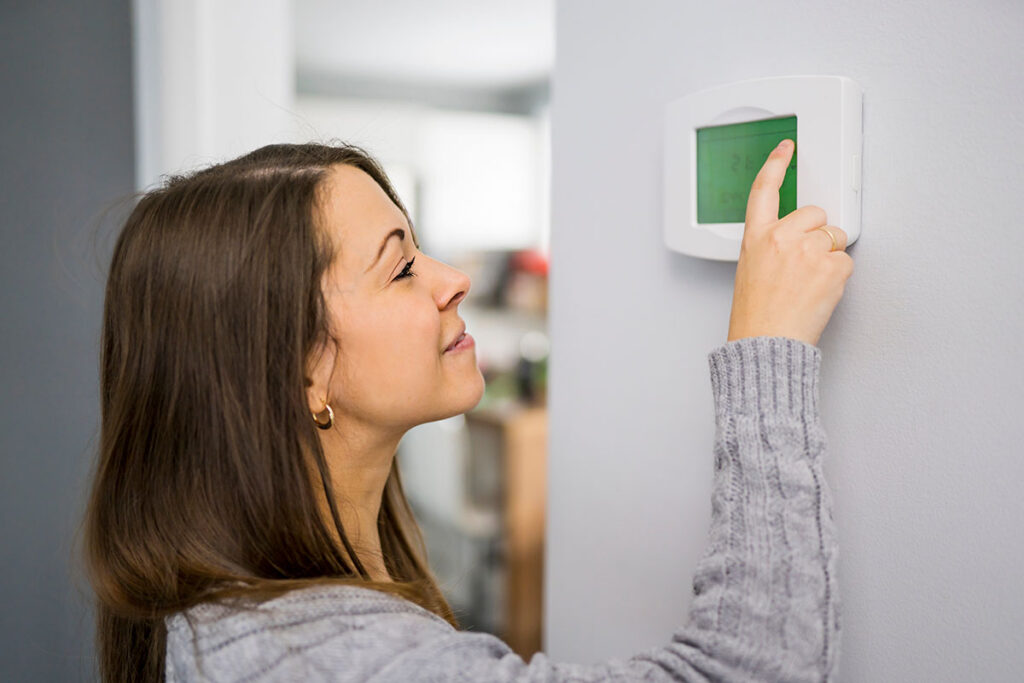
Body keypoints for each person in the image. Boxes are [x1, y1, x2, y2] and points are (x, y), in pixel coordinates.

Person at [83, 138, 851, 682]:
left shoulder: (225, 611)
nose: (451, 279)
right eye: (402, 266)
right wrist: (767, 347)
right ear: (303, 368)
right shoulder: (337, 660)